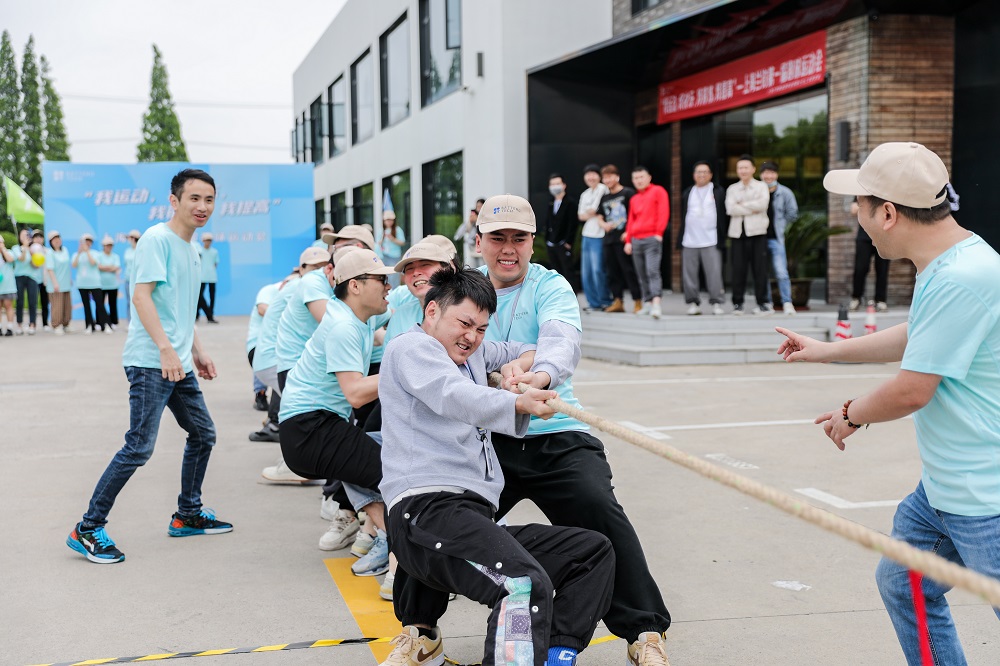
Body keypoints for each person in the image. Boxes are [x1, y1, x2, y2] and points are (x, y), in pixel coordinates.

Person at [396, 194, 673, 666]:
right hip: (485, 438)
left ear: (531, 242)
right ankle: (419, 629)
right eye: (497, 238)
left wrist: (537, 376)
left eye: (519, 238)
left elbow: (559, 342)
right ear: (478, 242)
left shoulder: (550, 285)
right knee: (441, 514)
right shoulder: (461, 290)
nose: (509, 248)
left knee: (598, 506)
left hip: (554, 430)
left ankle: (643, 629)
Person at [776, 142, 1000, 665]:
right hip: (946, 488)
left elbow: (912, 389)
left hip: (986, 497)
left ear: (889, 213)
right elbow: (917, 335)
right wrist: (825, 351)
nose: (856, 215)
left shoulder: (963, 277)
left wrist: (850, 414)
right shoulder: (949, 261)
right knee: (904, 584)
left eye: (858, 204)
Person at [378, 267, 615, 666]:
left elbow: (525, 347)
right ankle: (426, 633)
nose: (472, 337)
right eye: (464, 323)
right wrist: (518, 402)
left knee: (591, 551)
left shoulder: (474, 353)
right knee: (522, 585)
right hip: (425, 512)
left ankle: (556, 655)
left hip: (468, 514)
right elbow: (453, 394)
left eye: (482, 329)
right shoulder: (411, 348)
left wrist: (518, 368)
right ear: (433, 311)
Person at [67, 168, 231, 564]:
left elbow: (179, 311)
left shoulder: (191, 248)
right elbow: (142, 298)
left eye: (209, 200)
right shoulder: (157, 240)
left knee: (203, 434)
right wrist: (165, 349)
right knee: (139, 446)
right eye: (194, 198)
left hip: (177, 362)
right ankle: (87, 527)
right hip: (150, 362)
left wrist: (197, 350)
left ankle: (188, 514)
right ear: (174, 201)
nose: (202, 206)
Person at [277, 248, 396, 578]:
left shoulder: (360, 316)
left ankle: (389, 544)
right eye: (381, 280)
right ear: (355, 286)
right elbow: (355, 394)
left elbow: (402, 304)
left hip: (311, 427)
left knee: (369, 468)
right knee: (394, 475)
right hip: (310, 430)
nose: (388, 286)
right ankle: (410, 561)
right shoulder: (343, 326)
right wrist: (404, 369)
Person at [678, 161, 727, 316]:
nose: (702, 175)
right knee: (689, 274)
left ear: (711, 175)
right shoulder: (688, 192)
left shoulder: (718, 191)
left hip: (711, 239)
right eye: (699, 172)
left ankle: (716, 303)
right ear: (694, 175)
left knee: (714, 273)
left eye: (705, 172)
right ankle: (693, 303)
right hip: (689, 239)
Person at [725, 154, 771, 315]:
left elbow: (763, 204)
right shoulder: (732, 189)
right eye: (740, 168)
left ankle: (762, 303)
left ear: (753, 169)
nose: (743, 170)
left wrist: (742, 205)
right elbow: (730, 209)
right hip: (738, 234)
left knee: (760, 270)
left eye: (746, 167)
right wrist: (752, 207)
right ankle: (738, 304)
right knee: (738, 270)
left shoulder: (761, 186)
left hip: (758, 233)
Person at [624, 166, 669, 319]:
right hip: (636, 240)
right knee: (641, 273)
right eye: (636, 178)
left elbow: (663, 211)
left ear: (649, 177)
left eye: (641, 177)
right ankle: (647, 302)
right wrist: (628, 241)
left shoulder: (658, 191)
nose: (639, 180)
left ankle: (656, 304)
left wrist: (659, 233)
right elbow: (631, 220)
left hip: (652, 238)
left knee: (652, 270)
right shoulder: (634, 199)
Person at [597, 164, 641, 314]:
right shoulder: (604, 197)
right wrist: (603, 224)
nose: (607, 180)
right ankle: (617, 301)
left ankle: (637, 301)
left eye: (610, 176)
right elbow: (599, 215)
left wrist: (629, 232)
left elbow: (636, 214)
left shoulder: (628, 193)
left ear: (617, 177)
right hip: (608, 239)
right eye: (605, 178)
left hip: (624, 239)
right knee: (612, 272)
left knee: (628, 270)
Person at [759, 161, 799, 315]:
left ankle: (787, 302)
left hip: (776, 238)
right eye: (766, 173)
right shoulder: (757, 191)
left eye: (771, 173)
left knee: (781, 272)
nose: (768, 176)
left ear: (776, 175)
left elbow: (792, 214)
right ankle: (767, 303)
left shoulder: (785, 192)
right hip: (759, 238)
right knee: (762, 272)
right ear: (761, 175)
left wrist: (781, 226)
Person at [578, 163, 611, 311]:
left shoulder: (603, 189)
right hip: (587, 234)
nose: (590, 177)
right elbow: (581, 216)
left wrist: (590, 212)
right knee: (587, 272)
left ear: (599, 176)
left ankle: (605, 300)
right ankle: (593, 303)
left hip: (600, 234)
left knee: (598, 269)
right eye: (588, 174)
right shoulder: (585, 194)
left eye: (593, 174)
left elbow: (596, 209)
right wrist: (591, 212)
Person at [849, 198, 890, 313]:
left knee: (882, 269)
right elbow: (853, 209)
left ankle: (880, 300)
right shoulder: (863, 192)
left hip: (883, 235)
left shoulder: (885, 192)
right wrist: (875, 206)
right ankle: (856, 298)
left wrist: (867, 207)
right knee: (860, 268)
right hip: (864, 236)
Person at [543, 173, 577, 284]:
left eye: (557, 184)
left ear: (564, 185)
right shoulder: (550, 202)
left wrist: (568, 242)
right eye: (552, 184)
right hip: (551, 243)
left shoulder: (570, 203)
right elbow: (548, 221)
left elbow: (573, 224)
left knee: (568, 271)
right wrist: (547, 239)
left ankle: (571, 293)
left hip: (563, 243)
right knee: (555, 272)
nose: (555, 187)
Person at [73, 232, 107, 334]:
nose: (87, 243)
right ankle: (89, 325)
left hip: (95, 283)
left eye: (89, 241)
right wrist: (79, 252)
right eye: (85, 241)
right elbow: (74, 265)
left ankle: (105, 325)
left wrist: (87, 251)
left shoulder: (95, 253)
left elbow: (93, 263)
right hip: (82, 284)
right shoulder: (77, 254)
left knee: (100, 305)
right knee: (86, 306)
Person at [11, 228, 41, 335]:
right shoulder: (16, 248)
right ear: (19, 237)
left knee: (32, 301)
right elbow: (21, 259)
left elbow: (36, 265)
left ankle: (32, 324)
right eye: (23, 235)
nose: (25, 237)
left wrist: (32, 253)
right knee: (19, 301)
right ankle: (19, 324)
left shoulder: (34, 249)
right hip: (19, 277)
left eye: (27, 235)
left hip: (32, 277)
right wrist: (24, 248)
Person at [44, 230, 73, 334]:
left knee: (66, 305)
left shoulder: (64, 250)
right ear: (51, 242)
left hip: (65, 283)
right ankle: (57, 325)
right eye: (54, 239)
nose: (57, 241)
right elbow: (50, 269)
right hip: (55, 284)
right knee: (57, 306)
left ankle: (66, 324)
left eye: (58, 238)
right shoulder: (50, 253)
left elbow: (67, 267)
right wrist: (55, 283)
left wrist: (69, 279)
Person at [97, 236, 122, 330]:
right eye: (107, 245)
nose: (109, 247)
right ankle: (99, 322)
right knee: (100, 304)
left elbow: (116, 268)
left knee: (113, 304)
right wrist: (110, 267)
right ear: (103, 246)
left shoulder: (115, 256)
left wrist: (105, 267)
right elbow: (99, 266)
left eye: (110, 245)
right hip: (101, 284)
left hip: (113, 284)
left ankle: (113, 322)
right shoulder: (99, 255)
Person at [378, 211, 406, 287]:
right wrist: (383, 238)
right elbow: (378, 243)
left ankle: (394, 291)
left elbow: (402, 242)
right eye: (387, 220)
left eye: (391, 220)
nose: (389, 222)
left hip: (394, 256)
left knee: (394, 276)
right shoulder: (381, 230)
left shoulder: (398, 230)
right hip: (384, 255)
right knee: (386, 276)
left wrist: (392, 239)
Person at [197, 232, 219, 323]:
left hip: (212, 277)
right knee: (199, 296)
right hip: (201, 277)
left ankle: (210, 315)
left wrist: (210, 270)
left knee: (212, 297)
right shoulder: (199, 251)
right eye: (206, 240)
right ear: (203, 241)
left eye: (209, 240)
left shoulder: (214, 252)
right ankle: (200, 314)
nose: (208, 242)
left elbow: (215, 263)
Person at [32, 229, 51, 331]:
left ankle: (45, 323)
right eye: (36, 237)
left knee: (45, 302)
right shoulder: (30, 250)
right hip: (33, 280)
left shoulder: (47, 251)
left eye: (40, 237)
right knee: (33, 302)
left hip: (44, 280)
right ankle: (32, 324)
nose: (38, 239)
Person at [123, 229, 141, 323]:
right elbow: (126, 264)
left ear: (134, 238)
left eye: (130, 237)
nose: (129, 239)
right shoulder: (127, 251)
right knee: (129, 301)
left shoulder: (140, 249)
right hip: (128, 279)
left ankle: (139, 322)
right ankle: (130, 322)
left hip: (138, 280)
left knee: (139, 301)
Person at [0, 235, 15, 335]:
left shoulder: (8, 252)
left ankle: (9, 327)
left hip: (8, 285)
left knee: (8, 305)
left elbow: (10, 260)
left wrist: (3, 249)